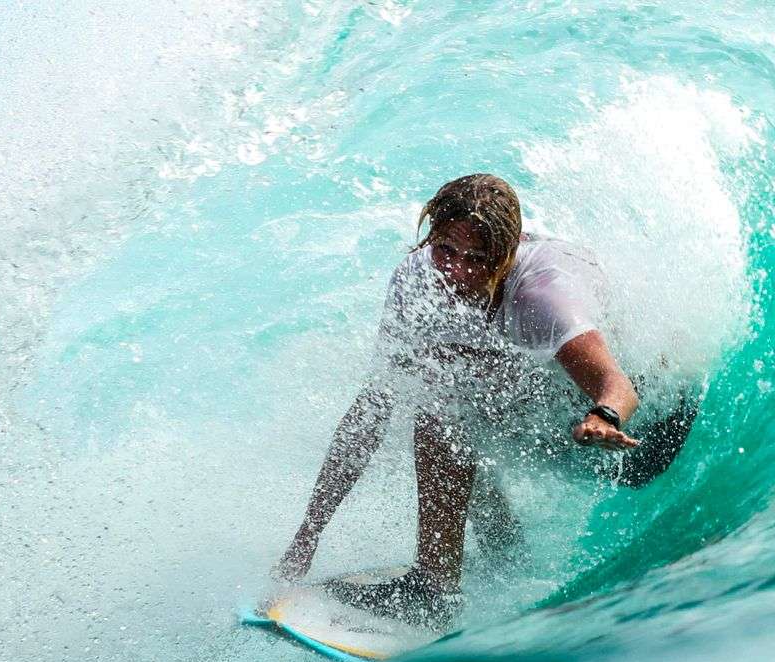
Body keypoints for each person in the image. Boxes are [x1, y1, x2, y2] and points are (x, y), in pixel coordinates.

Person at [274, 174, 695, 629]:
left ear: (507, 253)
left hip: (640, 439)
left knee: (446, 404)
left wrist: (603, 417)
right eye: (446, 250)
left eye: (477, 259)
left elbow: (618, 384)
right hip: (556, 422)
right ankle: (490, 557)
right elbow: (370, 412)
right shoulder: (417, 280)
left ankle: (437, 588)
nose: (456, 271)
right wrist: (308, 534)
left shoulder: (543, 296)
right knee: (440, 387)